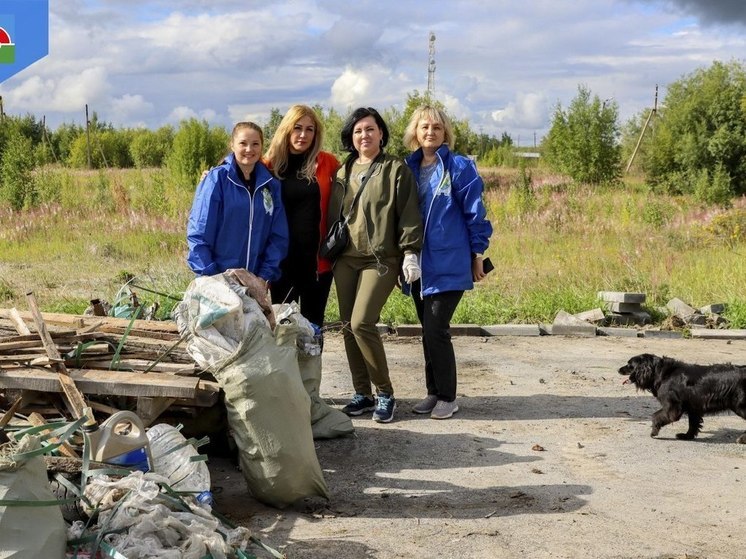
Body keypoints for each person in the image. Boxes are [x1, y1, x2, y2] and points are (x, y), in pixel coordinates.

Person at [330, 107, 423, 423]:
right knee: (346, 327)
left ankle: (385, 393)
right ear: (351, 137)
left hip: (381, 259)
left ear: (381, 133)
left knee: (361, 323)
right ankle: (362, 394)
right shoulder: (343, 171)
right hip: (346, 259)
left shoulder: (395, 169)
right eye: (358, 131)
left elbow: (409, 212)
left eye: (370, 129)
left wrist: (410, 252)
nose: (364, 135)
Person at [402, 105, 493, 419]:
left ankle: (448, 397)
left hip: (450, 262)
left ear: (445, 133)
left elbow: (475, 213)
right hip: (417, 265)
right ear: (415, 132)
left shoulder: (459, 166)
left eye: (437, 128)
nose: (430, 133)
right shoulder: (407, 167)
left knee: (436, 329)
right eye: (425, 127)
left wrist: (477, 253)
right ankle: (433, 392)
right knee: (427, 331)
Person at [187, 121, 289, 293]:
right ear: (232, 144)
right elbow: (198, 234)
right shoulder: (216, 180)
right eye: (243, 143)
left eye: (255, 144)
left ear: (262, 147)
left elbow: (278, 237)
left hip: (253, 283)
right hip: (216, 283)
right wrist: (212, 278)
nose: (249, 149)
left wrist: (263, 277)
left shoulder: (270, 185)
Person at [265, 105, 340, 328]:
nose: (303, 135)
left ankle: (313, 364)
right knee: (283, 329)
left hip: (317, 265)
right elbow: (238, 168)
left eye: (310, 129)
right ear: (286, 130)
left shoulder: (328, 163)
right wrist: (212, 174)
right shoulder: (269, 166)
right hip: (281, 265)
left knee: (313, 330)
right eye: (297, 128)